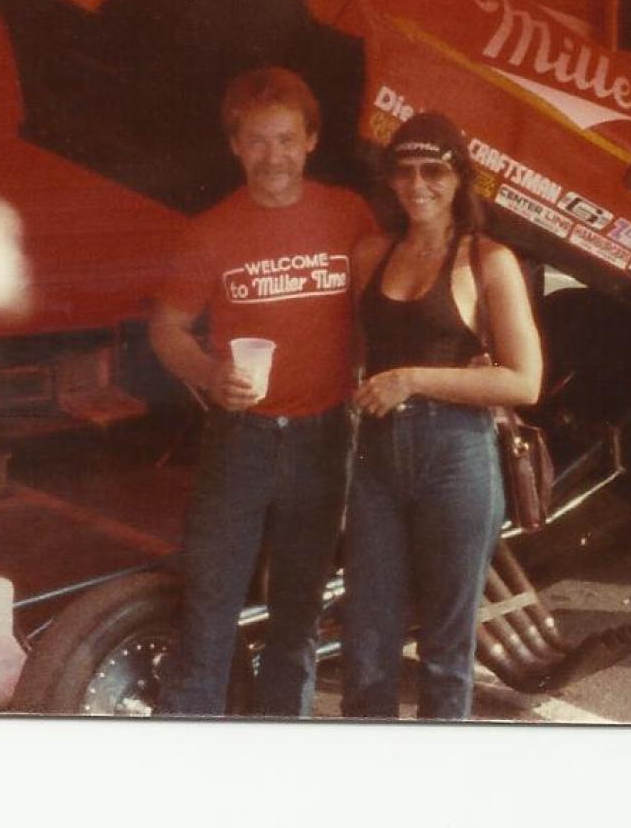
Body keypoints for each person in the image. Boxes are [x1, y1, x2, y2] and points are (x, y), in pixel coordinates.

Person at [149, 66, 375, 717]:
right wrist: (209, 373)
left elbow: (389, 302)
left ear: (311, 140)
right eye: (256, 140)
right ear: (235, 146)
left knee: (298, 614)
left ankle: (282, 742)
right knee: (210, 606)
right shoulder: (210, 231)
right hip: (241, 441)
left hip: (324, 436)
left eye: (285, 139)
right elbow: (166, 327)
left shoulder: (348, 214)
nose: (272, 156)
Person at [341, 111, 543, 720]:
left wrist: (413, 379)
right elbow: (356, 358)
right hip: (378, 458)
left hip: (457, 456)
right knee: (367, 639)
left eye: (434, 170)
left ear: (459, 180)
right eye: (404, 171)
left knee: (445, 647)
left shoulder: (488, 260)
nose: (418, 184)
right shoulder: (370, 254)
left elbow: (525, 381)